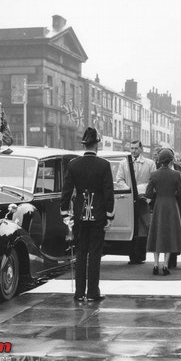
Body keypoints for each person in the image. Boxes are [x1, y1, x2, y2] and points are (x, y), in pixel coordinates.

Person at [61, 127, 114, 302]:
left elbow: (66, 191)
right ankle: (92, 292)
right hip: (98, 214)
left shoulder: (73, 164)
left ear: (84, 145)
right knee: (95, 254)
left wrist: (65, 214)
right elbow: (108, 192)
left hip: (79, 215)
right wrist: (109, 216)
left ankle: (79, 293)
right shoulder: (104, 165)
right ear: (97, 145)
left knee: (81, 253)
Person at [145, 148, 181, 276]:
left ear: (159, 160)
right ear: (170, 160)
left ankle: (156, 264)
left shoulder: (154, 174)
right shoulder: (176, 174)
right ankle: (165, 265)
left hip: (159, 205)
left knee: (157, 233)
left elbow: (148, 194)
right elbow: (180, 193)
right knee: (169, 234)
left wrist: (158, 192)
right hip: (171, 206)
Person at [116, 140, 156, 264]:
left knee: (144, 226)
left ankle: (141, 256)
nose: (133, 151)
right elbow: (119, 179)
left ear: (141, 149)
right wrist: (128, 189)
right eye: (131, 148)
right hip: (129, 199)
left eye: (136, 148)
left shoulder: (150, 163)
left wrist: (147, 193)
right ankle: (133, 256)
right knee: (131, 226)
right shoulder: (124, 163)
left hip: (144, 199)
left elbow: (153, 180)